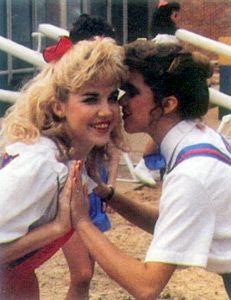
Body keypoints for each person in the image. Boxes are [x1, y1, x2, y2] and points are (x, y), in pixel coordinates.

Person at [69, 40, 231, 299]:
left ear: (168, 104)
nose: (122, 102)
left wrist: (81, 221)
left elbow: (146, 286)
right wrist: (105, 193)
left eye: (131, 92)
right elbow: (168, 223)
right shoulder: (201, 139)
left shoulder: (191, 173)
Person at [0, 36, 126, 300]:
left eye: (112, 97)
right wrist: (57, 228)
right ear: (59, 107)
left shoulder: (69, 159)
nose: (106, 111)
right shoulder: (42, 166)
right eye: (91, 99)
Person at [61, 14, 121, 300]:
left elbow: (113, 144)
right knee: (82, 271)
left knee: (88, 273)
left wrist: (108, 187)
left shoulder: (106, 92)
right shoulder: (65, 91)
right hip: (67, 183)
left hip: (93, 182)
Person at [134, 0, 181, 186]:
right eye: (176, 15)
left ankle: (153, 165)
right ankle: (145, 164)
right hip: (166, 91)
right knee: (166, 128)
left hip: (162, 90)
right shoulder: (169, 41)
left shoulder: (157, 39)